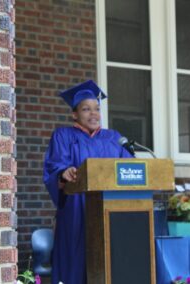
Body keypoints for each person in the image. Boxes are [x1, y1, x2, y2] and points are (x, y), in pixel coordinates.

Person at [43, 80, 133, 284]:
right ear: (75, 114)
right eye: (86, 109)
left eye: (97, 109)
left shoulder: (114, 138)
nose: (93, 114)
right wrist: (63, 173)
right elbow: (55, 166)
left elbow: (130, 168)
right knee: (76, 261)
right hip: (76, 210)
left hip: (110, 209)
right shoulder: (63, 136)